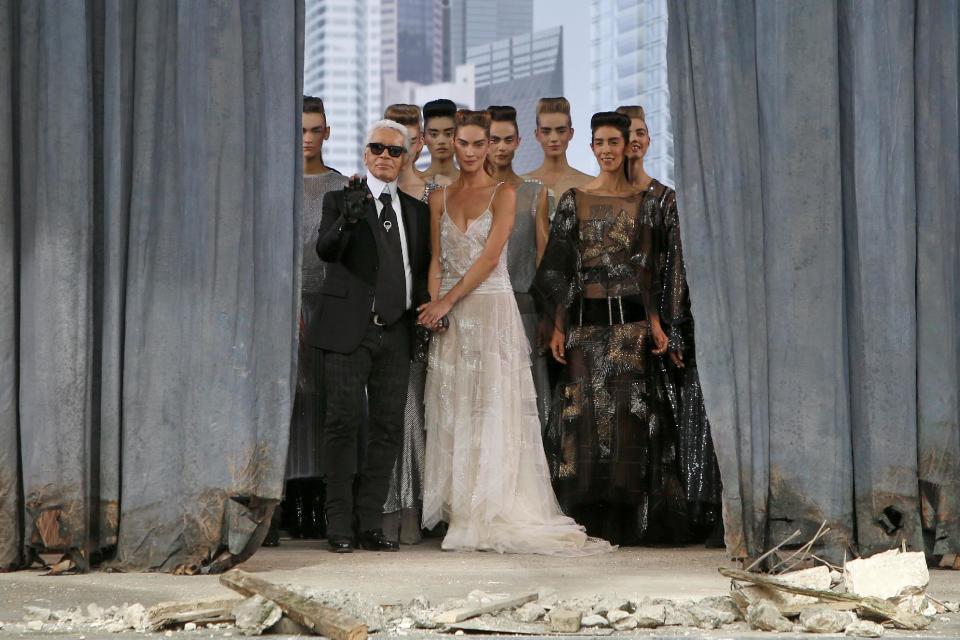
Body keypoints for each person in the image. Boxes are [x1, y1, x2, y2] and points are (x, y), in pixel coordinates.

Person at [418, 110, 611, 556]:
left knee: (494, 407)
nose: (467, 152)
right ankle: (464, 512)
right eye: (461, 144)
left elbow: (488, 260)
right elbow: (436, 259)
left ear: (489, 146)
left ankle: (495, 509)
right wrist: (435, 306)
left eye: (475, 144)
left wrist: (447, 300)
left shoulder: (507, 194)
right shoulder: (437, 198)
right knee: (455, 407)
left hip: (491, 309)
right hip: (451, 317)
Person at [534, 111, 687, 546]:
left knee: (628, 422)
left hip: (631, 331)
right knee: (582, 420)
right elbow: (561, 271)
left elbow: (649, 274)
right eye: (599, 142)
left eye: (613, 142)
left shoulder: (646, 203)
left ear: (627, 147)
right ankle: (586, 518)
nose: (606, 150)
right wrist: (558, 326)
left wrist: (657, 324)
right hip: (584, 329)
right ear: (592, 147)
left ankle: (628, 522)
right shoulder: (574, 199)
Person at [311, 120, 431, 553]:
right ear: (364, 154)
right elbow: (326, 250)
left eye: (393, 150)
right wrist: (348, 217)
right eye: (376, 148)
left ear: (406, 158)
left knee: (386, 428)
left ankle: (369, 523)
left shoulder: (416, 211)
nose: (384, 156)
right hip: (347, 331)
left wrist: (421, 327)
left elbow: (418, 273)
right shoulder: (340, 200)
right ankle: (339, 525)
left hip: (396, 332)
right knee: (341, 424)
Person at [616, 105, 723, 543]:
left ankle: (684, 512)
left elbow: (676, 266)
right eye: (627, 134)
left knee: (678, 421)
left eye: (641, 132)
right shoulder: (596, 196)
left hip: (665, 324)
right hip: (617, 322)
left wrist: (672, 324)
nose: (635, 140)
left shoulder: (667, 198)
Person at [280, 96, 348, 542]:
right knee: (288, 404)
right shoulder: (277, 182)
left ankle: (320, 508)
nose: (308, 138)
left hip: (328, 305)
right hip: (283, 306)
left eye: (315, 129)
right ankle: (280, 508)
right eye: (300, 129)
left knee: (325, 403)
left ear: (327, 132)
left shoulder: (339, 186)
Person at [379, 104, 436, 545]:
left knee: (421, 412)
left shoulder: (434, 193)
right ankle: (389, 508)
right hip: (384, 322)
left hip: (423, 317)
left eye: (410, 138)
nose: (404, 146)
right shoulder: (369, 193)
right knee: (391, 413)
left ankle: (417, 507)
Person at [486, 105, 552, 431]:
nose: (500, 146)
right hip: (479, 315)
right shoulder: (463, 196)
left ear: (519, 141)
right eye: (493, 139)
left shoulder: (535, 193)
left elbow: (543, 259)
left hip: (524, 312)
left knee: (528, 403)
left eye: (507, 139)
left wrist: (550, 316)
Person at [523, 97, 593, 218]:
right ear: (537, 134)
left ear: (571, 133)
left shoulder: (590, 184)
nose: (554, 138)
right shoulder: (520, 185)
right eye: (546, 131)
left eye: (561, 131)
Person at [420, 99, 459, 187]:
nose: (441, 141)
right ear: (423, 138)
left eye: (448, 134)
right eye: (434, 134)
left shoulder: (471, 183)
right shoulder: (415, 184)